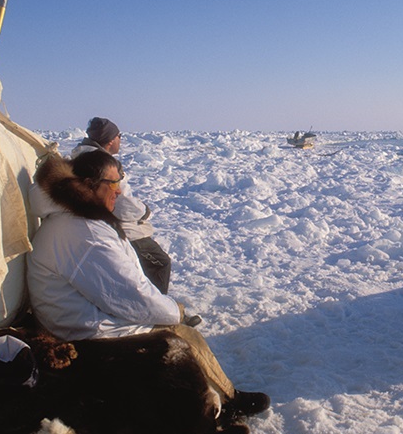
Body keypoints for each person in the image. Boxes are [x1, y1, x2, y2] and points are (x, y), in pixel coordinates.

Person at [26, 149, 269, 418]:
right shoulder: (82, 234)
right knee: (180, 336)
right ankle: (224, 403)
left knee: (170, 325)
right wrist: (173, 311)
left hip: (78, 321)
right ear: (88, 186)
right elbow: (129, 296)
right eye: (113, 184)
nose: (118, 191)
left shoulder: (77, 221)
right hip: (85, 334)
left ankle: (221, 395)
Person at [72, 117, 173, 296]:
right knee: (159, 262)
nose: (120, 140)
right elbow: (119, 202)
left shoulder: (80, 156)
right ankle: (158, 311)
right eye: (119, 136)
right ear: (111, 140)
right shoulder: (102, 163)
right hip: (117, 225)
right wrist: (143, 212)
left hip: (95, 222)